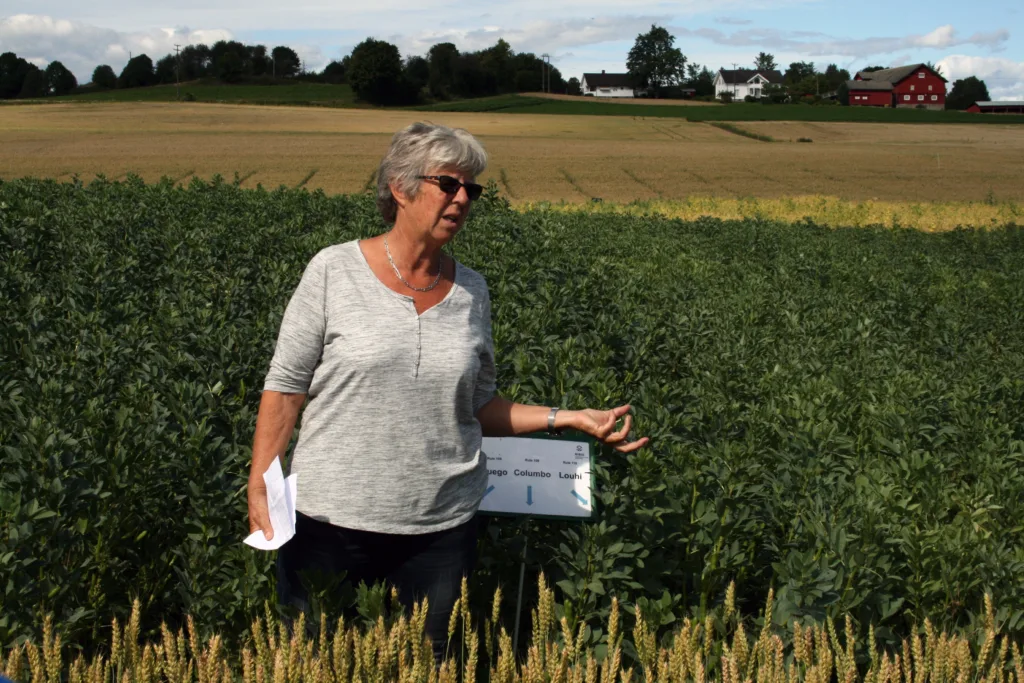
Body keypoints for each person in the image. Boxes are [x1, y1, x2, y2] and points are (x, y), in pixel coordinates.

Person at [247, 122, 648, 661]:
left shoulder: (471, 290)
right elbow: (286, 388)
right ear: (400, 187)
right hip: (329, 524)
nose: (463, 199)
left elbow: (480, 406)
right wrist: (260, 484)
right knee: (317, 664)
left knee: (430, 666)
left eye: (472, 190)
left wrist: (569, 418)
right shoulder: (333, 270)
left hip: (441, 528)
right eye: (449, 185)